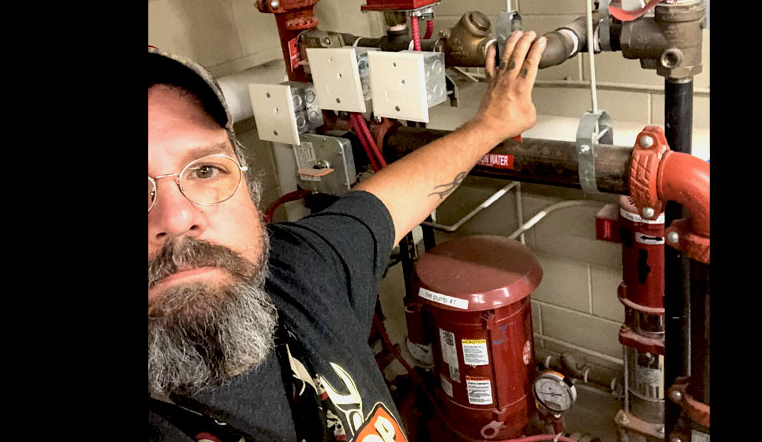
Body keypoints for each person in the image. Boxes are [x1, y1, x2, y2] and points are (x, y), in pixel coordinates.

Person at [148, 29, 547, 442]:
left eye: (205, 170)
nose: (176, 217)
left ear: (249, 186)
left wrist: (492, 124)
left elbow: (388, 201)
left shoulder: (297, 273)